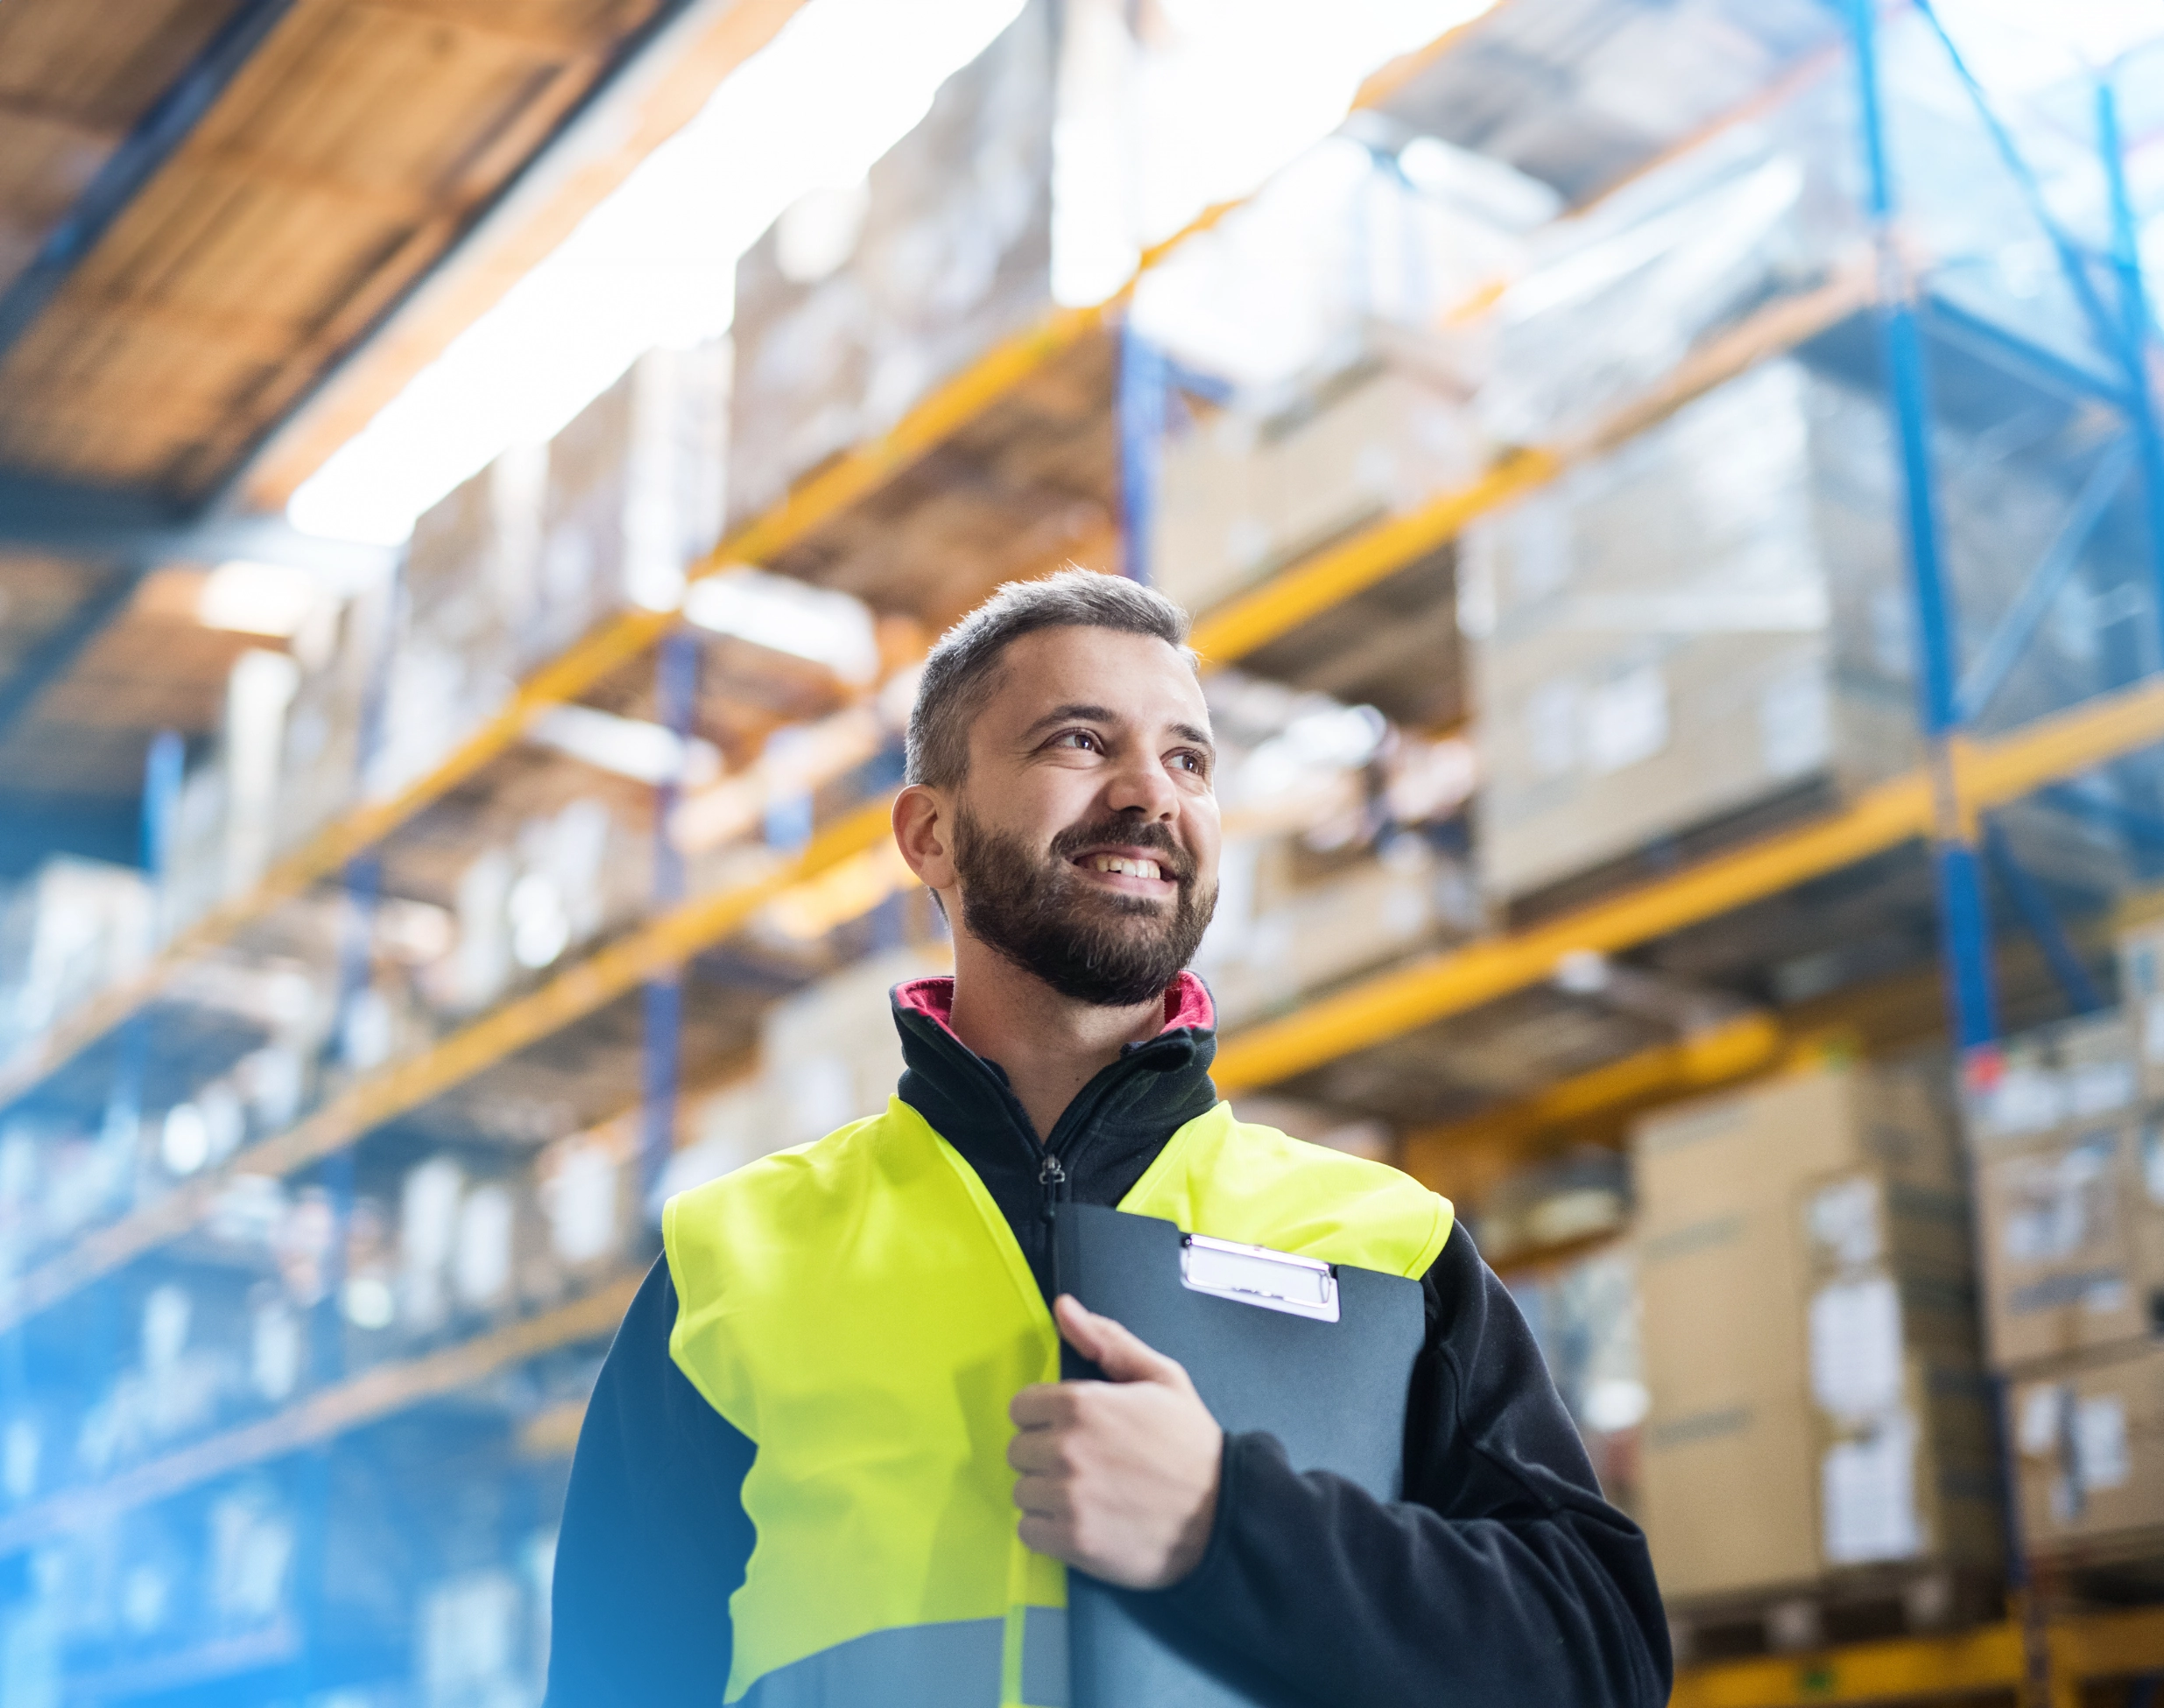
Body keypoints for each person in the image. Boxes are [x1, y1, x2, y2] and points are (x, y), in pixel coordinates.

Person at [547, 570, 1670, 1707]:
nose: (1150, 793)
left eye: (1188, 759)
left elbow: (1601, 1661)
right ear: (930, 833)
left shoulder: (1386, 1245)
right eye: (1080, 741)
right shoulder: (731, 1267)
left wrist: (1224, 1523)